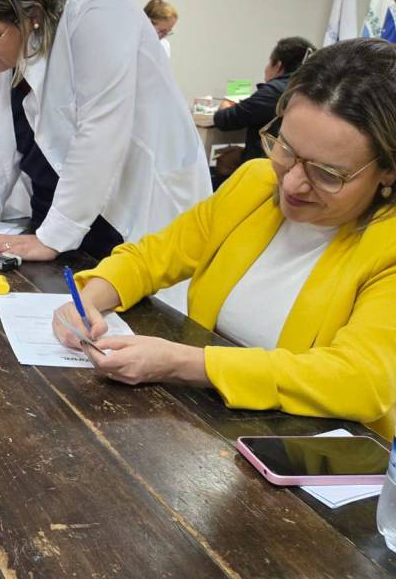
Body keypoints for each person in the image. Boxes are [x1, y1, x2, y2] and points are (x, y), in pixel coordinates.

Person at [53, 39, 396, 438]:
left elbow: (361, 380)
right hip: (216, 428)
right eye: (285, 148)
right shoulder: (255, 184)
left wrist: (187, 364)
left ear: (388, 170)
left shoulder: (386, 245)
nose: (292, 183)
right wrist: (89, 300)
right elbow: (153, 256)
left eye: (327, 173)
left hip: (320, 452)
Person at [0, 0, 210, 263]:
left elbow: (100, 133)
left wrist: (52, 238)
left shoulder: (97, 11)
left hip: (130, 206)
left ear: (31, 16)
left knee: (127, 286)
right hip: (54, 215)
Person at [211, 36, 315, 184]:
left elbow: (224, 120)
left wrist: (226, 104)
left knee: (225, 160)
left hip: (267, 162)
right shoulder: (311, 89)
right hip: (298, 164)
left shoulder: (274, 91)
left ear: (278, 65)